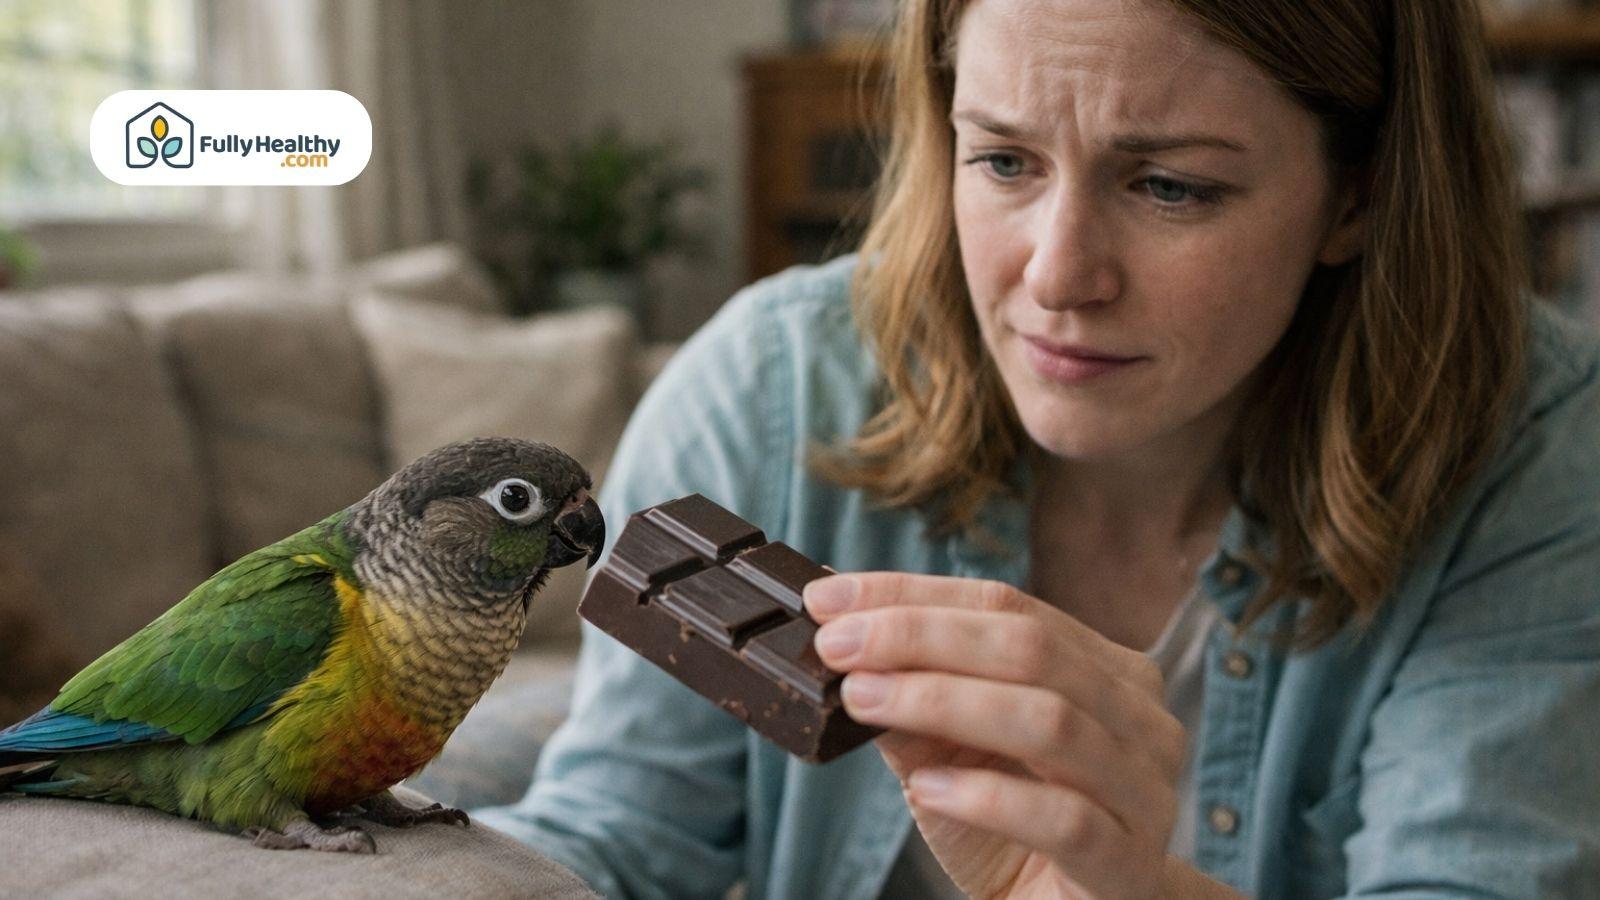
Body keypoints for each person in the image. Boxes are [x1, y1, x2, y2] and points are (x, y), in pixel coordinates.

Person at [475, 0, 1600, 896]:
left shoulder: (1533, 454)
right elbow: (616, 839)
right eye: (1004, 162)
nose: (1058, 277)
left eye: (1171, 186)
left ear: (1357, 195)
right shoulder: (766, 394)